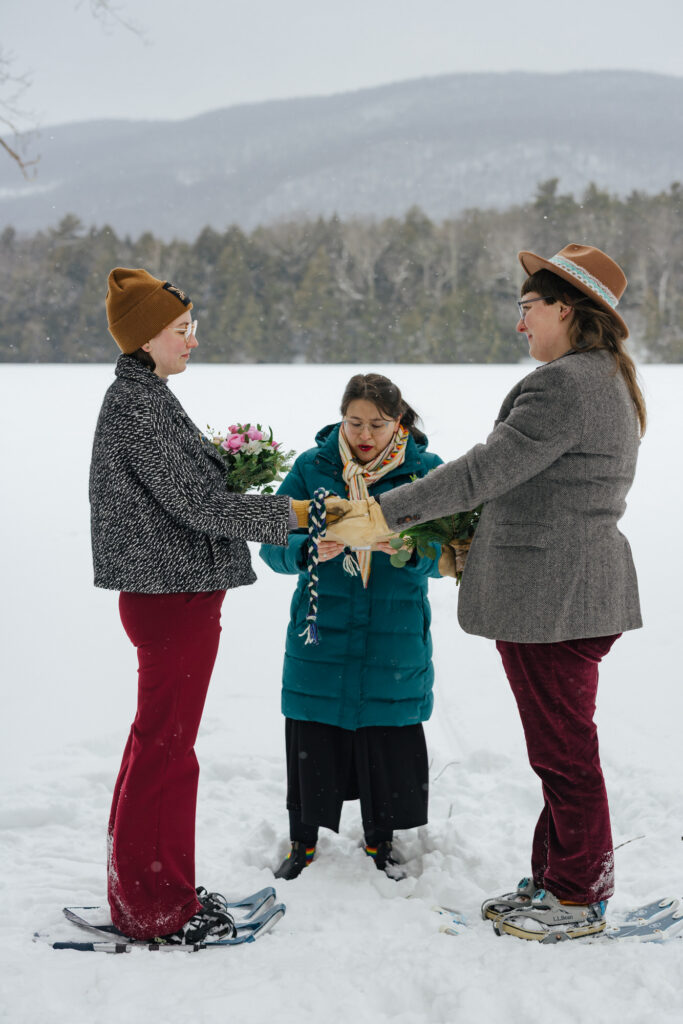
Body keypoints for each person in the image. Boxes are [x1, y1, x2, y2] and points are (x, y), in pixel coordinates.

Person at [324, 244, 645, 941]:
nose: (519, 324)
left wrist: (378, 514)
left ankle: (577, 895)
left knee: (563, 753)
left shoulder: (565, 385)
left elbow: (482, 472)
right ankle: (558, 876)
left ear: (566, 308)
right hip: (568, 592)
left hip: (552, 598)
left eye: (527, 309)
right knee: (559, 747)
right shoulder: (600, 378)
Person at [90, 267, 294, 944]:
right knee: (167, 750)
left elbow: (192, 491)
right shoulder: (138, 407)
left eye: (191, 328)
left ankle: (152, 889)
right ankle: (156, 907)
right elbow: (199, 505)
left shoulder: (145, 396)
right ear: (146, 336)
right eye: (182, 330)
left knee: (161, 745)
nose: (192, 341)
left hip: (174, 593)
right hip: (170, 597)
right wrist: (295, 515)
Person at [259, 374, 443, 878]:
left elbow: (449, 555)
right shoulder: (312, 468)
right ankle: (303, 841)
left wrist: (407, 551)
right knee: (314, 736)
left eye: (378, 425)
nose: (365, 434)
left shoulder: (423, 473)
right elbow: (270, 543)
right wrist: (303, 550)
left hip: (395, 629)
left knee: (385, 736)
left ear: (399, 422)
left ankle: (381, 840)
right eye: (355, 422)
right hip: (323, 629)